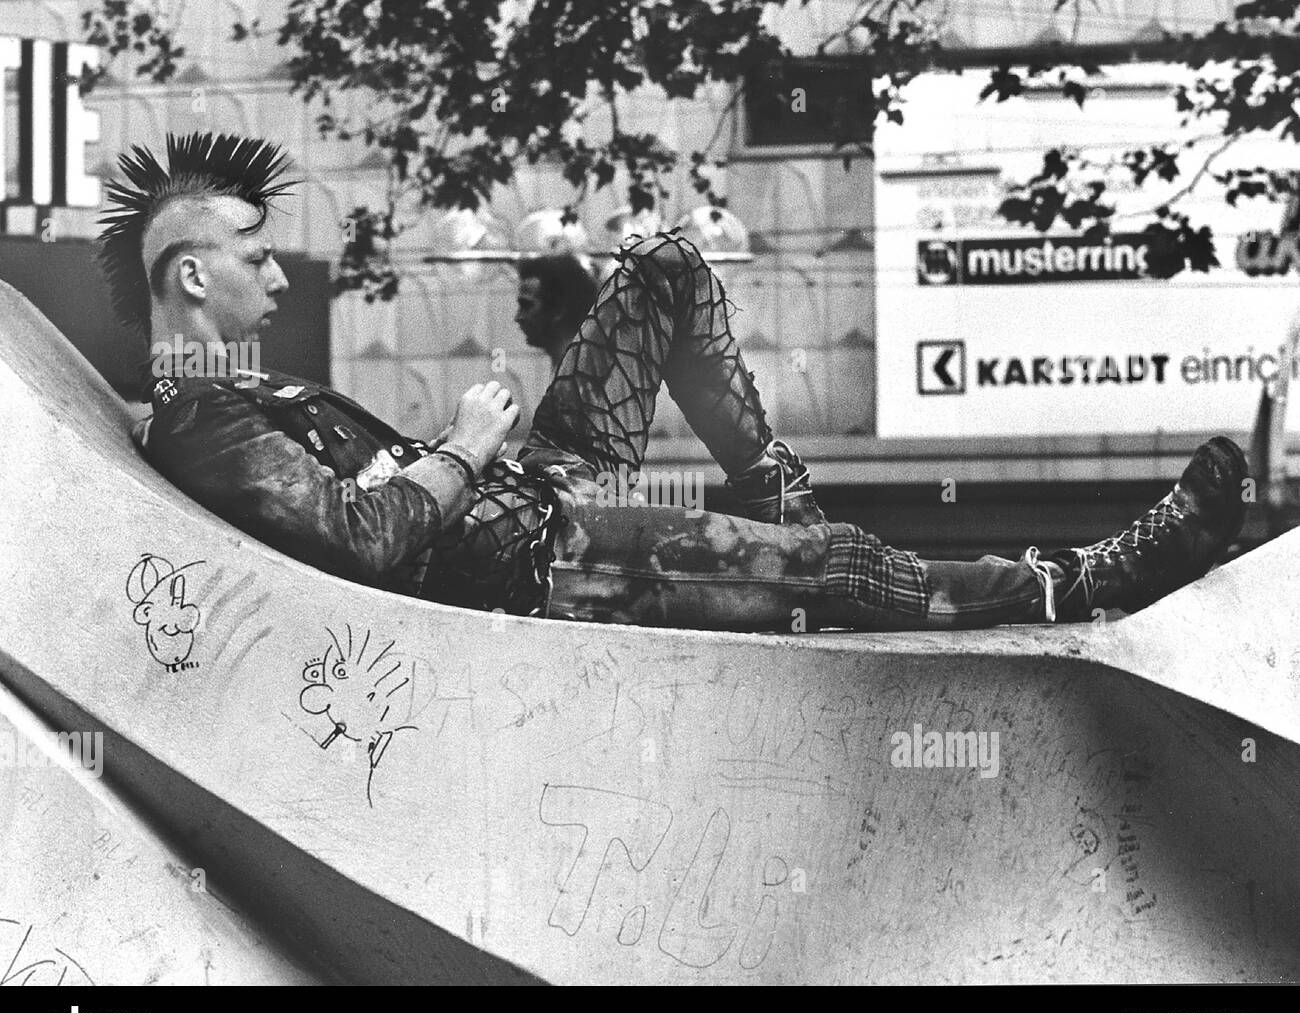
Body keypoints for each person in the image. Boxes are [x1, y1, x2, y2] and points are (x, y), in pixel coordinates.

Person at [104, 132, 1248, 631]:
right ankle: (1080, 581)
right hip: (544, 560)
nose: (271, 271)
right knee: (839, 567)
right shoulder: (200, 419)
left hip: (541, 489)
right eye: (252, 254)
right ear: (192, 275)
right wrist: (460, 444)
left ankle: (781, 494)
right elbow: (359, 538)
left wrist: (480, 452)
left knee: (664, 266)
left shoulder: (241, 396)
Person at [515, 253, 599, 370]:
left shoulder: (581, 373)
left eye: (526, 306)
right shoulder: (570, 367)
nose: (518, 317)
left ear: (558, 311)